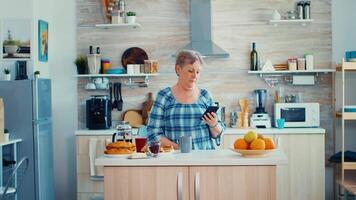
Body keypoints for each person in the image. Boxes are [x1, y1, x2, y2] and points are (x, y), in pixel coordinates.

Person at [146, 50, 225, 150]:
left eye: (198, 72)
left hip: (204, 159)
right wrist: (179, 148)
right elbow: (153, 133)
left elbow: (218, 133)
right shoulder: (164, 96)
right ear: (178, 69)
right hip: (175, 159)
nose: (195, 76)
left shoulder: (205, 95)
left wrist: (214, 124)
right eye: (190, 71)